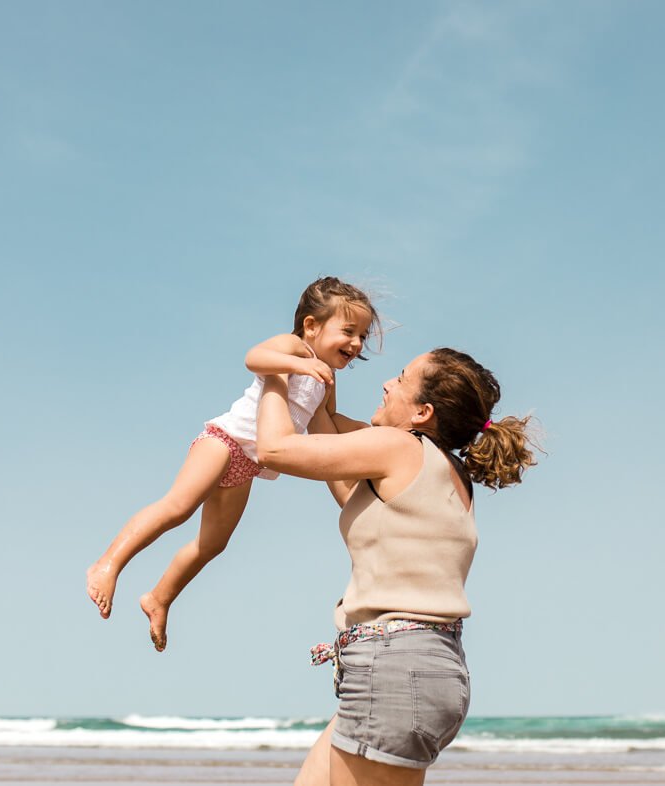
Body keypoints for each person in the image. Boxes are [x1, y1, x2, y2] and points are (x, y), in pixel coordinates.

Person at [256, 347, 537, 785]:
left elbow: (273, 449)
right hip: (418, 668)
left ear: (423, 412)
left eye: (401, 378)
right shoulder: (444, 470)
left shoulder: (398, 447)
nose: (387, 382)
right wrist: (319, 378)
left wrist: (275, 373)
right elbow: (342, 473)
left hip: (394, 671)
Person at [86, 277, 380, 651]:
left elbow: (324, 428)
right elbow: (253, 358)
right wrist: (299, 366)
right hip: (223, 442)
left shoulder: (327, 378)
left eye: (362, 337)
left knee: (213, 543)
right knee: (178, 508)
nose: (356, 344)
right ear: (311, 326)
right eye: (349, 331)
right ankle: (107, 564)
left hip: (250, 465)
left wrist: (352, 482)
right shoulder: (293, 348)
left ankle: (159, 598)